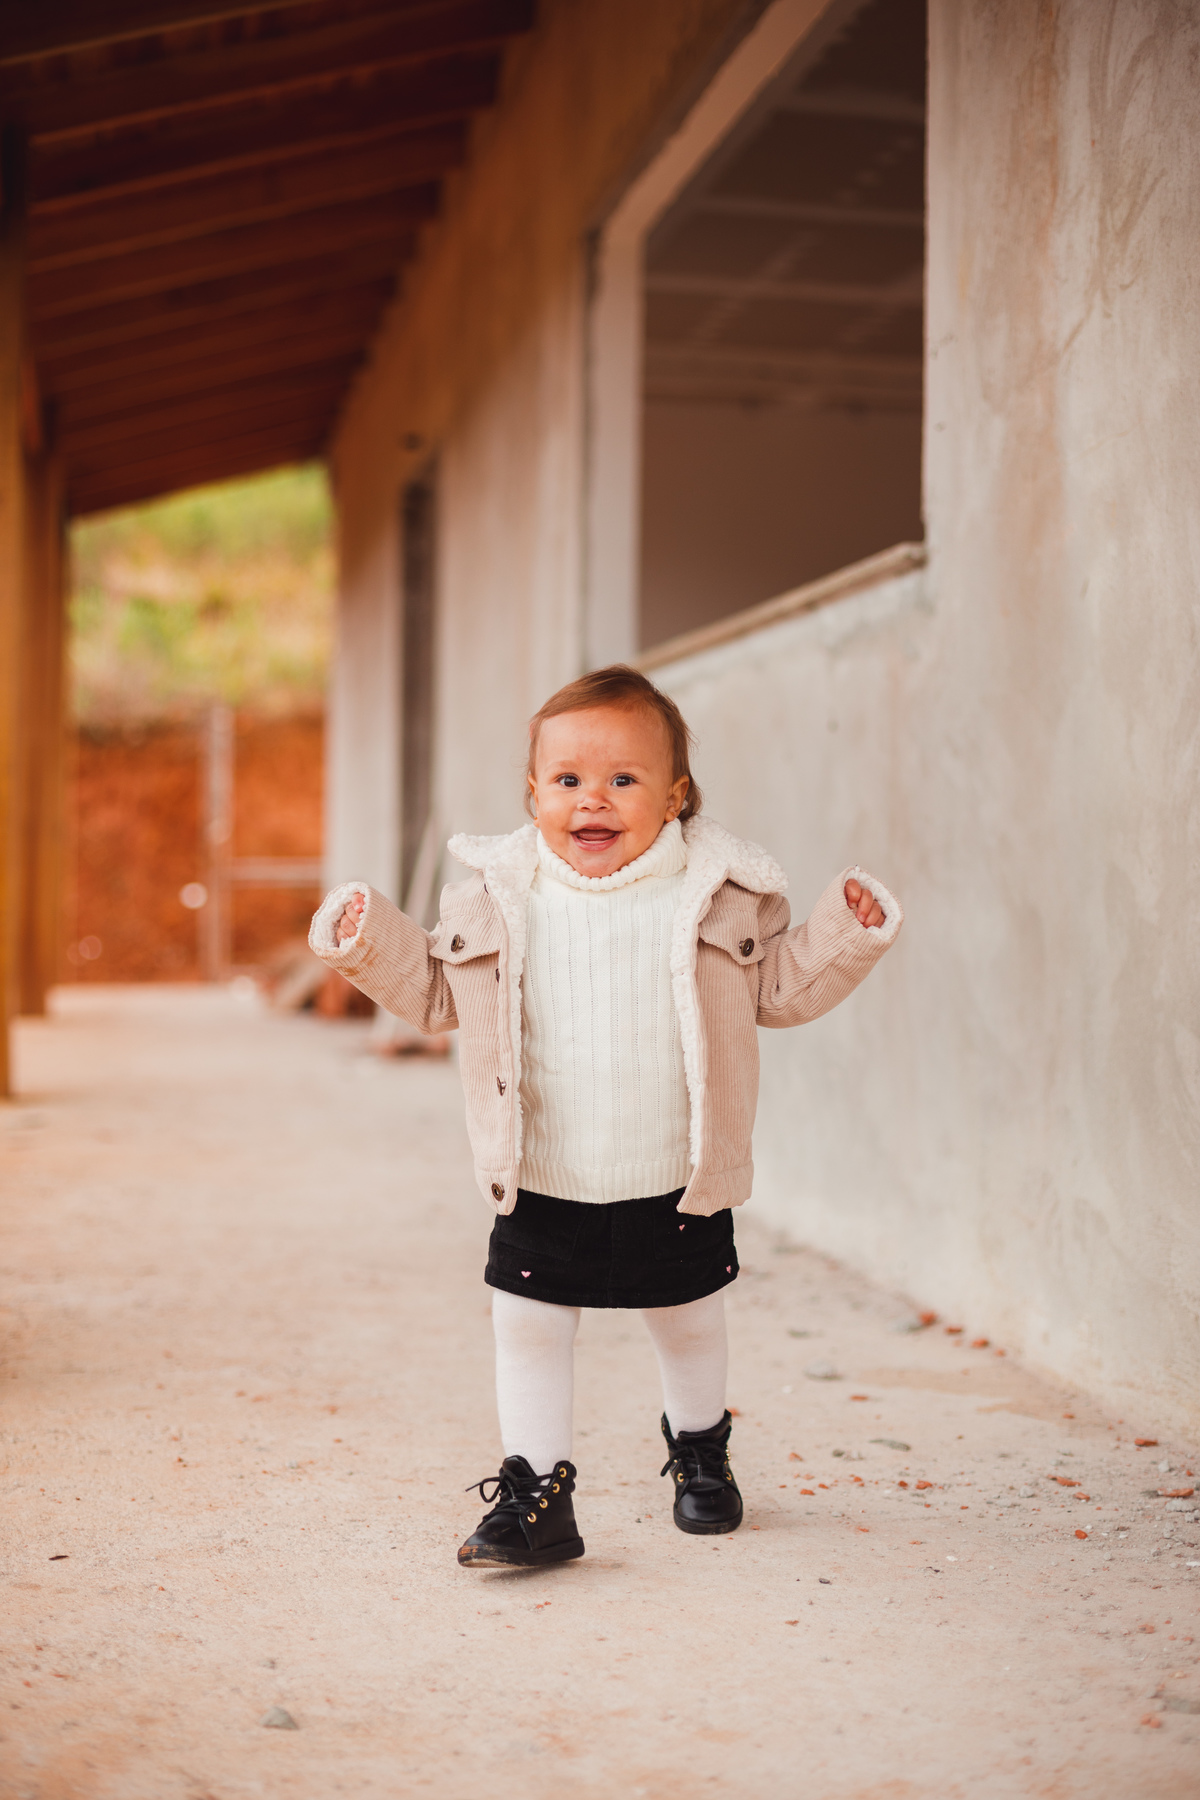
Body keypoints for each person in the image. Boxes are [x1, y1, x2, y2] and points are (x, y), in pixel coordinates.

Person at [309, 665, 902, 1568]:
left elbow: (777, 990)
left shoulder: (716, 897)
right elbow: (438, 996)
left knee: (689, 1315)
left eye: (624, 780)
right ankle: (537, 1495)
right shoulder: (498, 902)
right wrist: (370, 940)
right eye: (568, 781)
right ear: (533, 795)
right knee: (527, 1324)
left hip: (675, 1166)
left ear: (676, 796)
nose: (594, 800)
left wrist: (842, 932)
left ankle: (700, 1449)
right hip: (543, 1168)